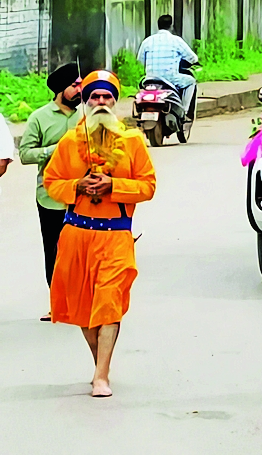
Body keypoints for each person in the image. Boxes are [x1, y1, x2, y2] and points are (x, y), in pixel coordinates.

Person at [44, 70, 157, 397]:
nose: (102, 102)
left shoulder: (132, 141)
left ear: (116, 101)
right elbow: (52, 183)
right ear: (86, 101)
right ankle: (100, 364)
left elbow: (148, 186)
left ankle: (101, 376)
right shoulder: (70, 141)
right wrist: (77, 185)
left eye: (107, 97)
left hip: (115, 236)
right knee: (83, 308)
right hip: (77, 234)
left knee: (109, 304)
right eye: (95, 97)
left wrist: (114, 185)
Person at [18, 63, 83, 303]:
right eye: (74, 85)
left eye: (81, 85)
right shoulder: (39, 118)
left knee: (80, 249)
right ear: (60, 89)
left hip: (83, 194)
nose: (80, 89)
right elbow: (25, 154)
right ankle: (58, 302)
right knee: (54, 250)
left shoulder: (87, 116)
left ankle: (79, 300)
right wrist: (55, 150)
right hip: (50, 195)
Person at [137, 14, 199, 114]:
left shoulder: (147, 41)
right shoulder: (176, 40)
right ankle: (184, 111)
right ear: (171, 26)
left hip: (149, 80)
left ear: (158, 26)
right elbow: (193, 58)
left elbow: (140, 61)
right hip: (170, 79)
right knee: (191, 81)